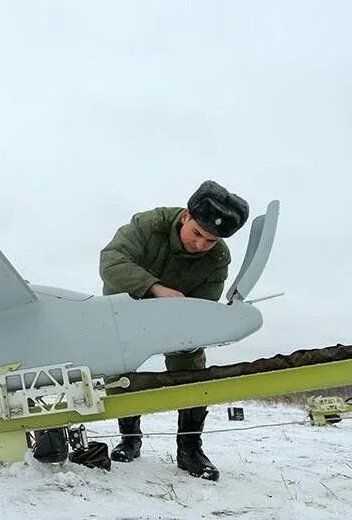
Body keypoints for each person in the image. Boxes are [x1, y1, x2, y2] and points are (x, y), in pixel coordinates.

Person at [99, 180, 249, 481]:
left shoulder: (218, 259)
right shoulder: (148, 225)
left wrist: (190, 328)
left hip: (180, 320)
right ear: (185, 217)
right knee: (119, 374)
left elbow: (204, 304)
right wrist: (155, 288)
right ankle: (130, 440)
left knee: (192, 372)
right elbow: (111, 262)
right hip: (128, 310)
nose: (200, 245)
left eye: (210, 241)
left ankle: (189, 450)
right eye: (197, 234)